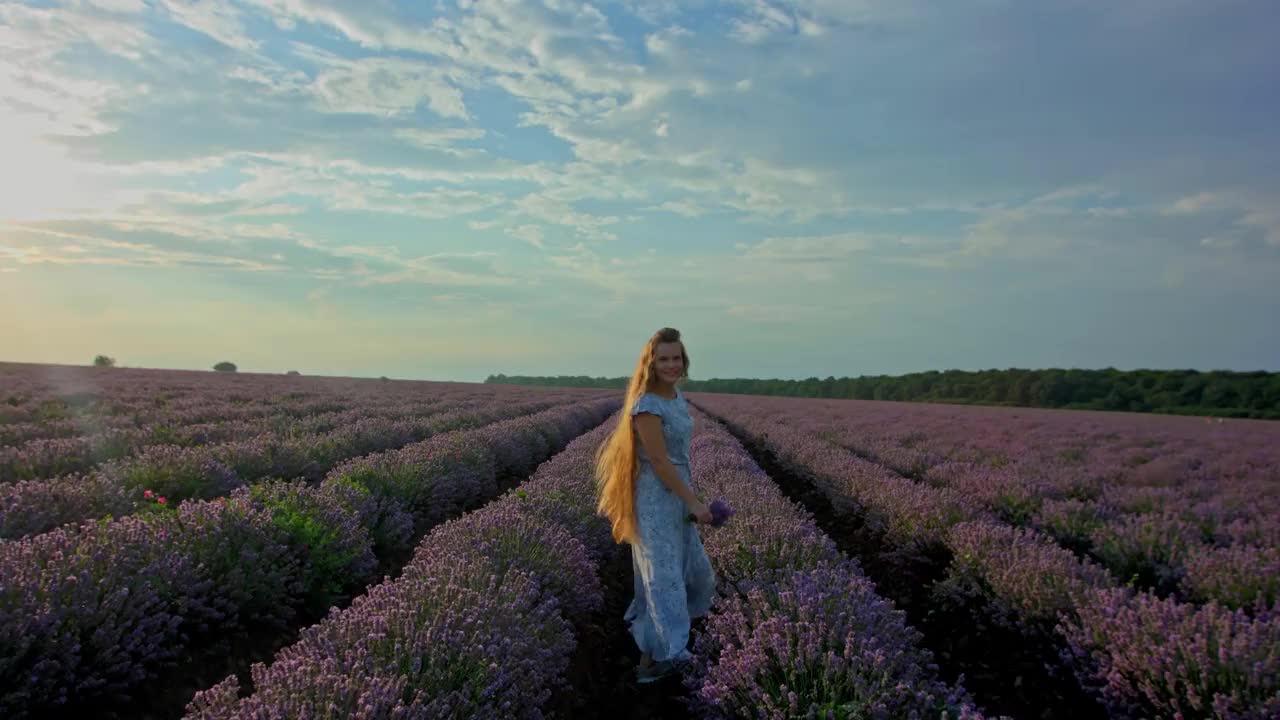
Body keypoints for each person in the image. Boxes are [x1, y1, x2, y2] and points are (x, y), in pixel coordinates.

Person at [593, 327, 718, 684]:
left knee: (683, 575)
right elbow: (661, 463)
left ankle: (651, 656)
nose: (671, 364)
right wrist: (694, 503)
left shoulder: (675, 398)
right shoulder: (646, 404)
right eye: (663, 358)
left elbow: (677, 461)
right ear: (650, 363)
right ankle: (673, 654)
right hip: (656, 498)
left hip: (677, 495)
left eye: (676, 357)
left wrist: (689, 498)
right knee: (664, 580)